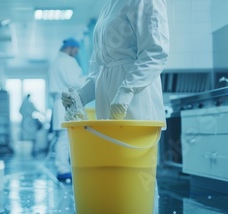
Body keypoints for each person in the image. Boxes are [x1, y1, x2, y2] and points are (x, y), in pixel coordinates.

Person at [62, 0, 169, 212]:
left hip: (137, 95)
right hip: (108, 98)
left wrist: (128, 89)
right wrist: (82, 94)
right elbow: (100, 66)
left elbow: (155, 52)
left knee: (135, 173)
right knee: (113, 168)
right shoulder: (108, 6)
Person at [48, 37, 86, 181]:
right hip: (66, 102)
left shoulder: (56, 61)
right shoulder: (67, 61)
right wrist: (91, 79)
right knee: (65, 138)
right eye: (75, 50)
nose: (76, 53)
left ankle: (63, 168)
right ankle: (63, 169)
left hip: (61, 102)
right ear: (70, 48)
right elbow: (74, 81)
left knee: (64, 138)